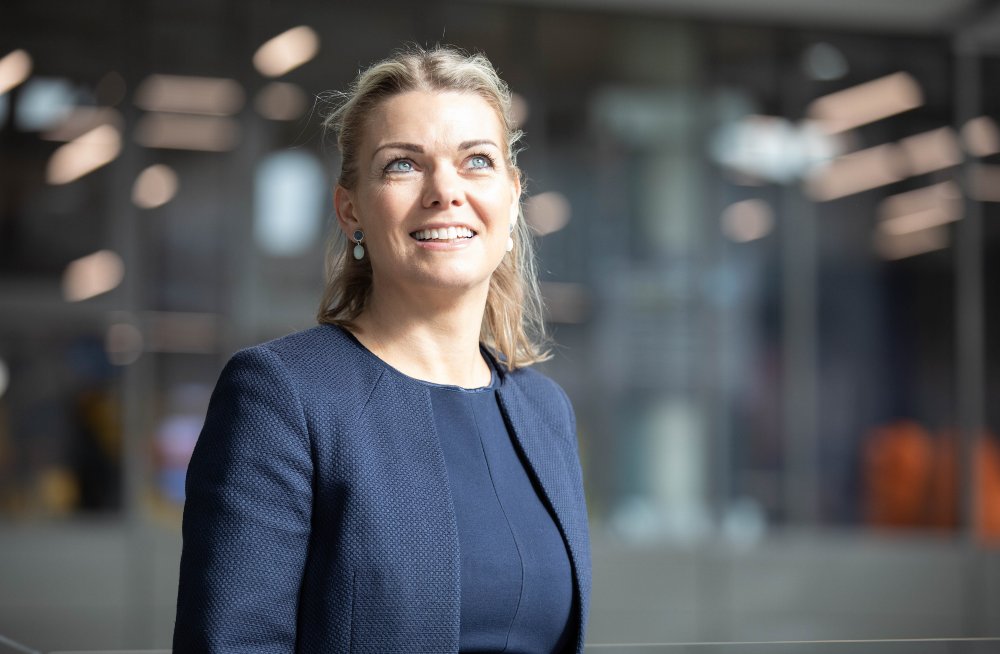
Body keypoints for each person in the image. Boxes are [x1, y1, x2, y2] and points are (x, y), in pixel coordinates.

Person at [173, 44, 591, 653]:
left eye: (477, 160)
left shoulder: (543, 412)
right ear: (351, 212)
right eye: (402, 165)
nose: (445, 190)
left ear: (512, 198)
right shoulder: (283, 395)